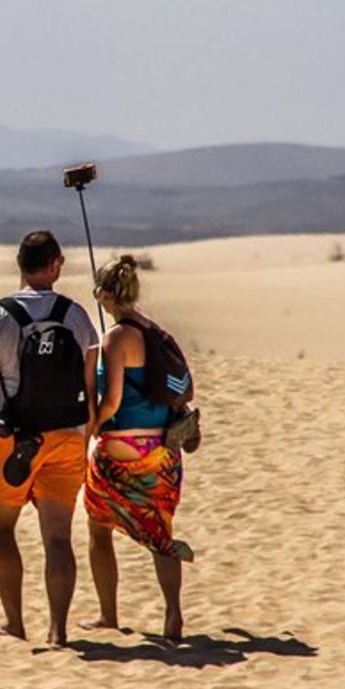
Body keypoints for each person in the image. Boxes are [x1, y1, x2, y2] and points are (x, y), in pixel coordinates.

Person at [0, 231, 98, 647]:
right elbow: (91, 389)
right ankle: (59, 631)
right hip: (67, 438)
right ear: (55, 266)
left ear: (19, 265)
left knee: (1, 530)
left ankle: (15, 622)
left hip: (13, 439)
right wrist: (88, 440)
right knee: (58, 538)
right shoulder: (77, 316)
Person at [82, 254, 194, 643]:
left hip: (121, 451)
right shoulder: (154, 331)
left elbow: (112, 399)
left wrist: (92, 426)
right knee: (160, 533)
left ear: (105, 294)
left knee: (98, 528)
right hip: (163, 452)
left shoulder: (116, 338)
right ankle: (173, 615)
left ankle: (108, 615)